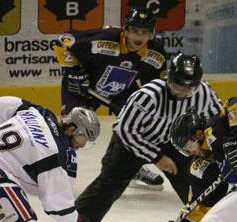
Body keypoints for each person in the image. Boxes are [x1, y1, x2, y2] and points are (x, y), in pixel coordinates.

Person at [40, 53, 223, 222]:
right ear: (168, 78)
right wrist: (156, 157)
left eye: (189, 87)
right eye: (177, 85)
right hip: (134, 140)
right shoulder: (149, 95)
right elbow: (124, 129)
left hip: (176, 142)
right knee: (105, 188)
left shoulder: (204, 93)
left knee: (197, 187)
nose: (183, 92)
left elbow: (218, 118)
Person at [53, 7, 167, 190]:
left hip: (121, 88)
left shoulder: (156, 54)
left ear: (152, 33)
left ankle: (133, 168)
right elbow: (62, 42)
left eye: (145, 32)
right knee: (73, 131)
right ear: (126, 29)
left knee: (139, 122)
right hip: (82, 86)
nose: (139, 37)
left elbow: (155, 87)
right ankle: (51, 168)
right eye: (135, 31)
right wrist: (74, 71)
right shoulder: (104, 39)